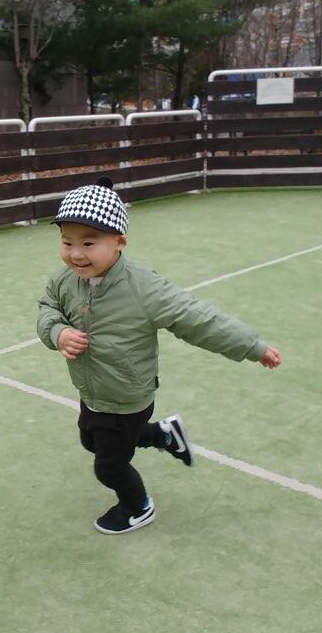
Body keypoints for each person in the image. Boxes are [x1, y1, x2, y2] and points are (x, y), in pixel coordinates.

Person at [36, 178, 282, 535]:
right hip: (92, 390)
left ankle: (138, 507)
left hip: (128, 396)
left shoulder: (144, 288)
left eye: (88, 243)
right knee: (90, 440)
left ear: (119, 241)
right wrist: (57, 331)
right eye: (66, 242)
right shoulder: (65, 281)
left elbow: (197, 318)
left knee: (109, 466)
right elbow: (48, 308)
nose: (75, 254)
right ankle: (166, 435)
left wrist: (252, 346)